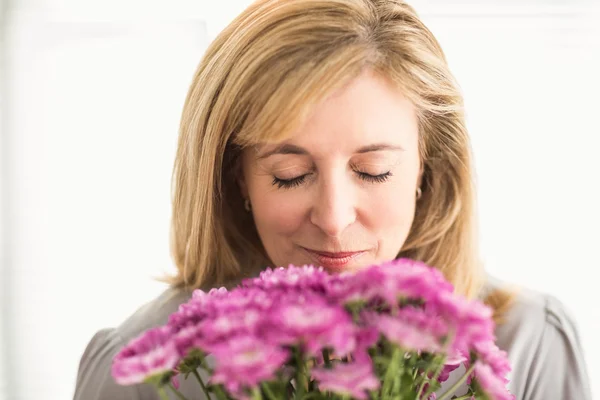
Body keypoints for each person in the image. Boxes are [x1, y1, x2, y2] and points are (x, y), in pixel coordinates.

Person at [73, 0, 592, 399]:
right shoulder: (142, 370)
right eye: (290, 175)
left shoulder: (529, 343)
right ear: (236, 181)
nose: (334, 218)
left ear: (426, 170)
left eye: (373, 171)